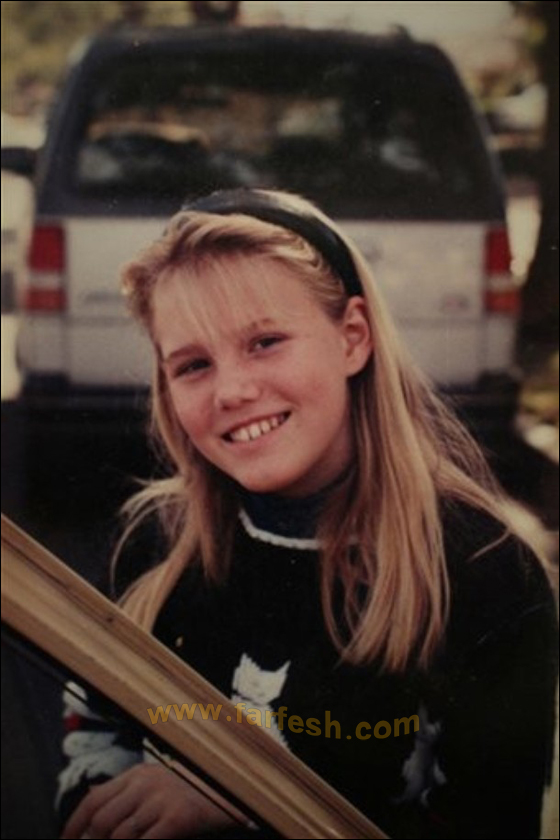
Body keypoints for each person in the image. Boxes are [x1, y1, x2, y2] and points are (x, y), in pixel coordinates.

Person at [57, 188, 557, 839]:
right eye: (194, 365)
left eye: (265, 341)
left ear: (353, 337)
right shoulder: (155, 543)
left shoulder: (485, 571)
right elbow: (94, 739)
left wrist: (244, 798)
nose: (233, 390)